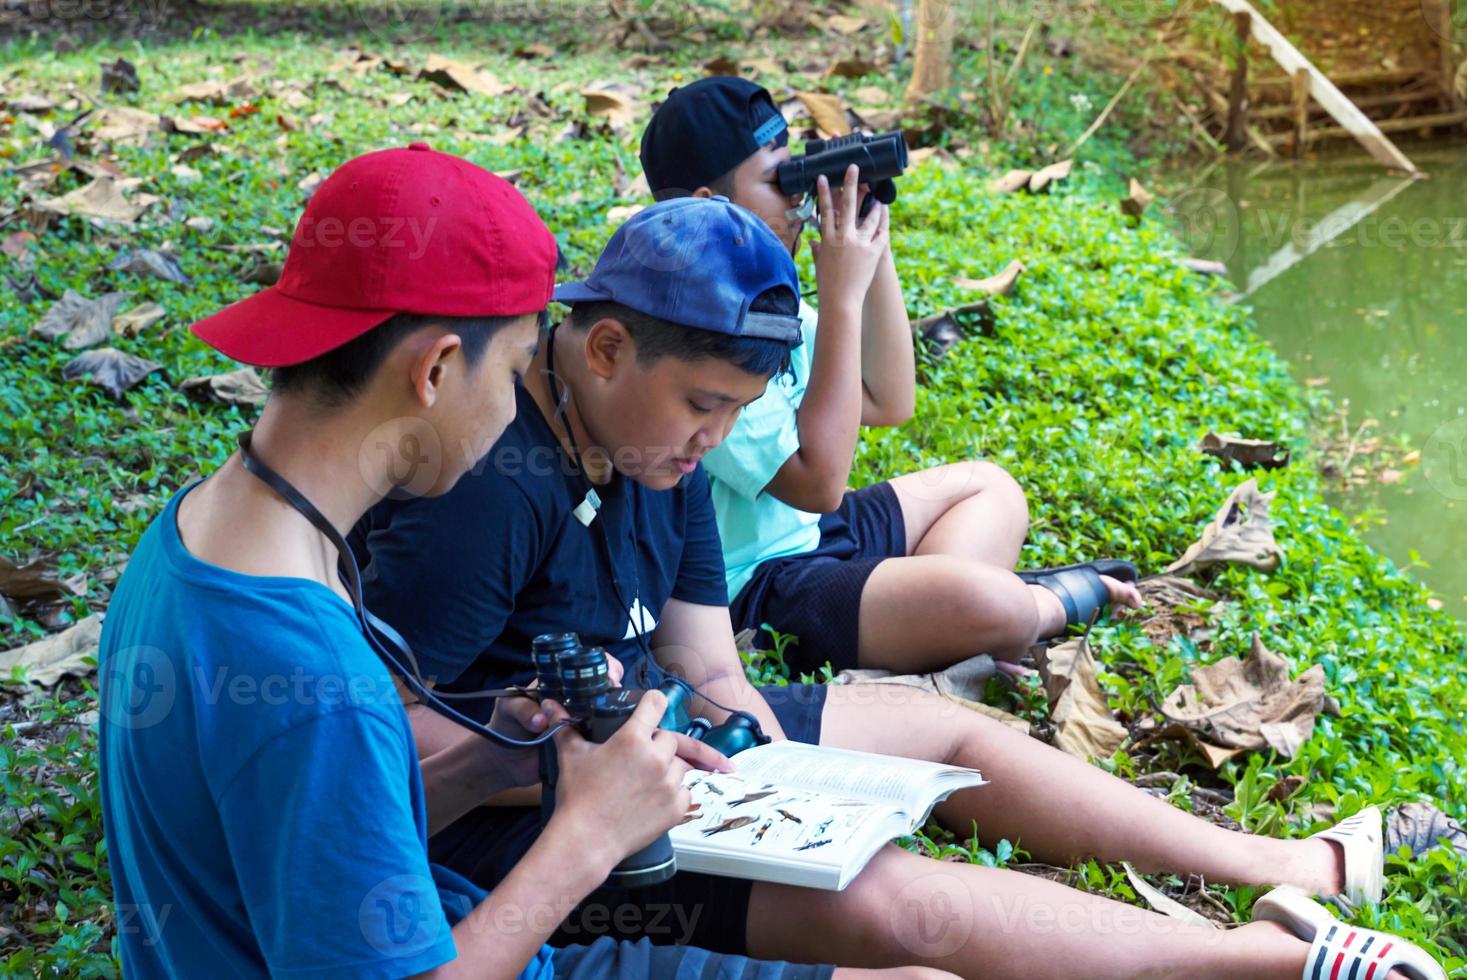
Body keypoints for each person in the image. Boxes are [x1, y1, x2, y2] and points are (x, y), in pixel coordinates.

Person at [356, 195, 1443, 980]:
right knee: (894, 900)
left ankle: (1276, 860)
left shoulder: (659, 450)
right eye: (702, 403)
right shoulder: (486, 496)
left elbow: (707, 661)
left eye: (738, 409)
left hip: (657, 748)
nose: (717, 439)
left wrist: (769, 772)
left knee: (934, 729)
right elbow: (380, 763)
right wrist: (569, 760)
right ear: (602, 349)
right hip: (533, 829)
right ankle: (1259, 961)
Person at [96, 145, 930, 980]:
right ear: (435, 370)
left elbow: (325, 835)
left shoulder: (188, 542)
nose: (512, 413)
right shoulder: (312, 675)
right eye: (513, 371)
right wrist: (589, 834)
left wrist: (490, 752)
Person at [638, 76, 1142, 678]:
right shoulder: (695, 333)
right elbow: (818, 482)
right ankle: (1033, 603)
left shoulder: (766, 293)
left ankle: (937, 619)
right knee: (990, 602)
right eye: (780, 182)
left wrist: (874, 252)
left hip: (821, 534)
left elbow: (888, 397)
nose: (801, 199)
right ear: (709, 203)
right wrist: (842, 297)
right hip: (760, 586)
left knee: (991, 487)